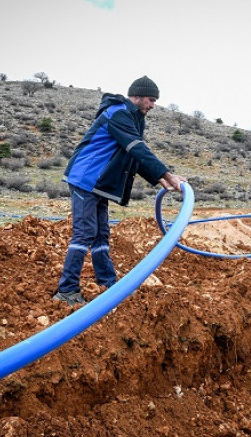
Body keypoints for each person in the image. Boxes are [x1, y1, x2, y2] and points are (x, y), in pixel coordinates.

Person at [53, 76, 186, 305]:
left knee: (101, 234)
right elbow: (137, 148)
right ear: (136, 96)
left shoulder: (134, 119)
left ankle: (108, 283)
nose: (153, 105)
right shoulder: (119, 112)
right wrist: (167, 174)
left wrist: (160, 177)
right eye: (151, 100)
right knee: (85, 233)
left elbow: (134, 155)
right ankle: (66, 290)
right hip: (85, 178)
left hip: (99, 183)